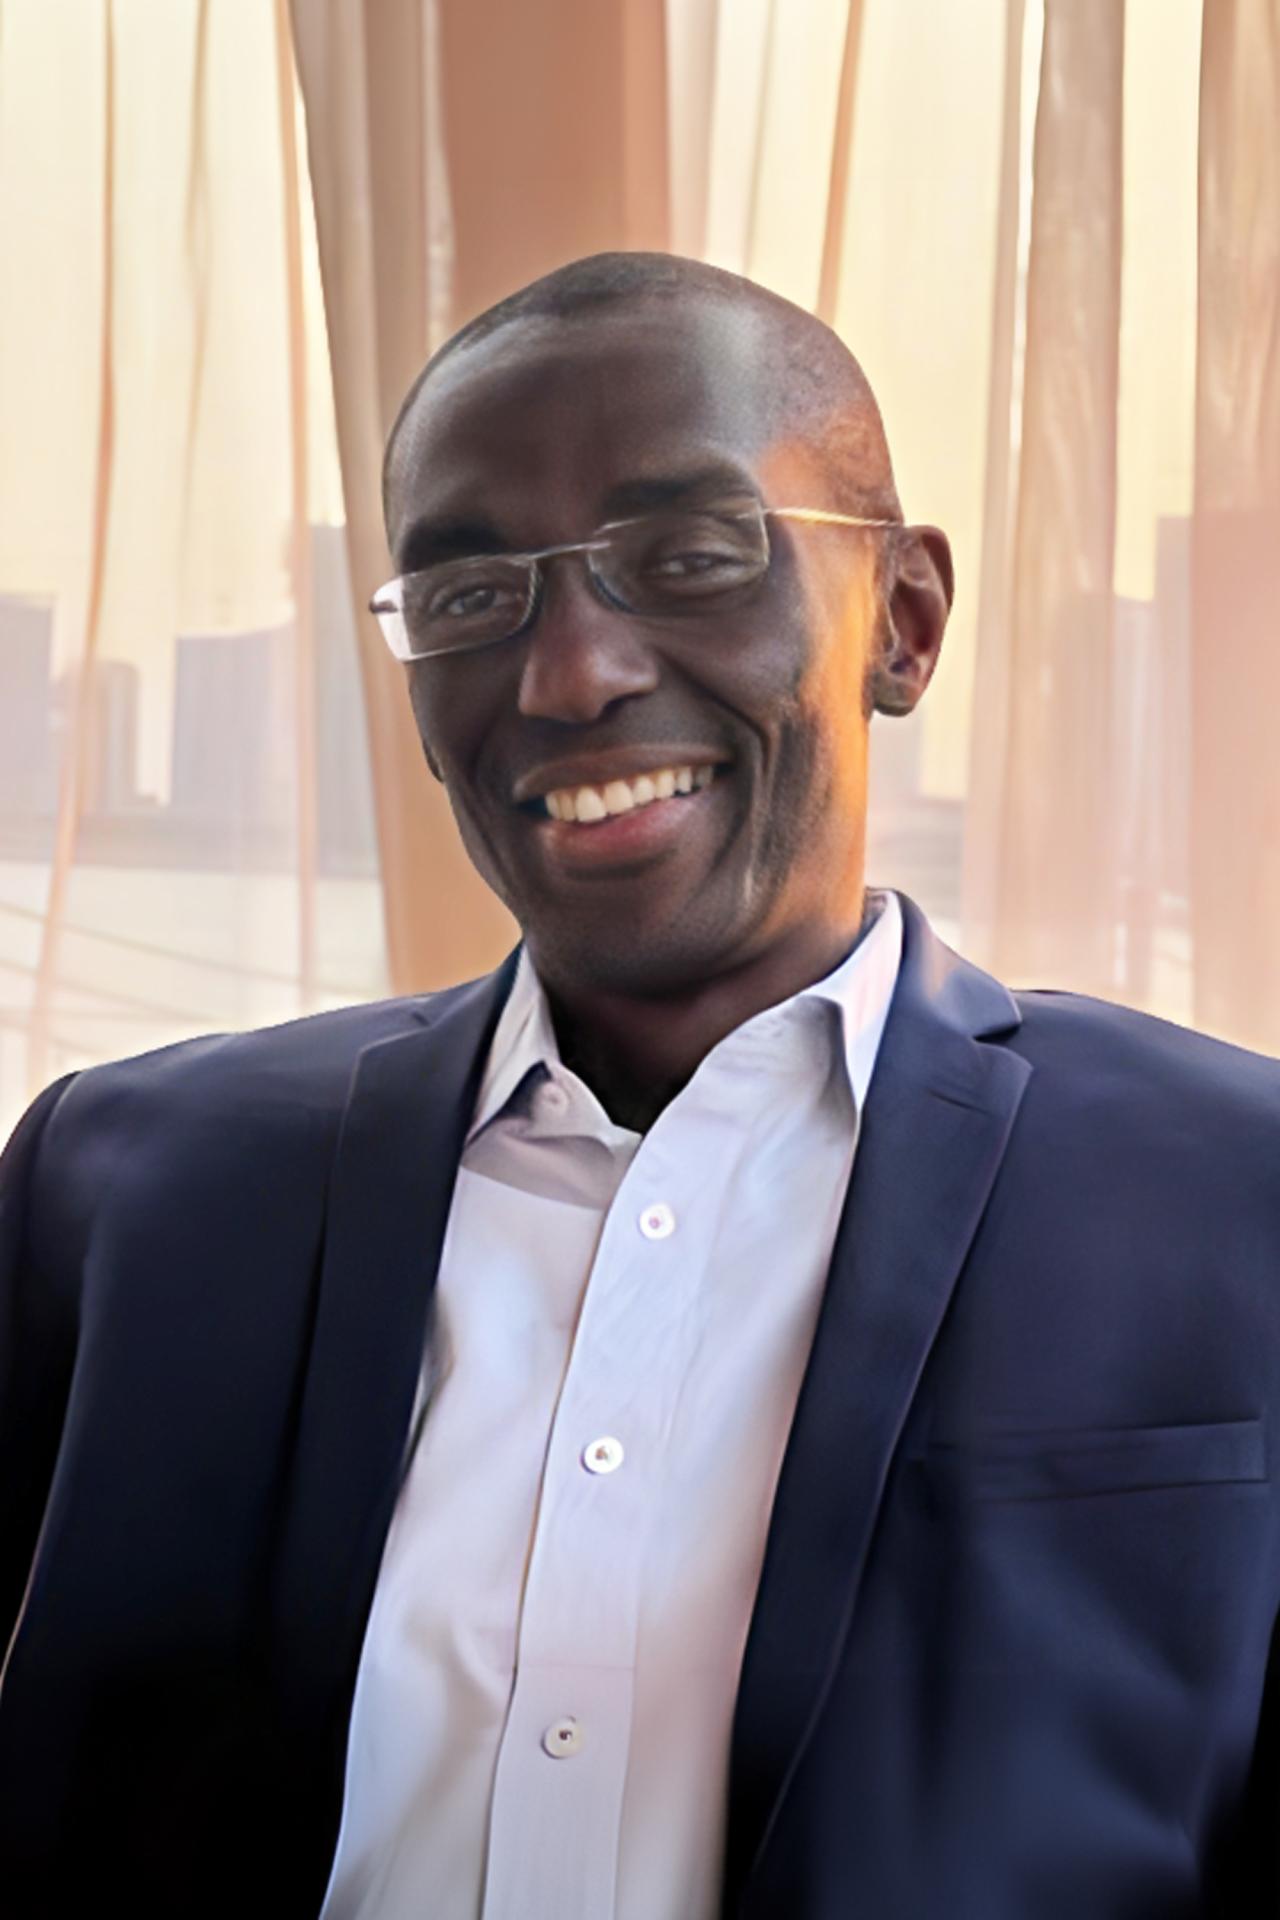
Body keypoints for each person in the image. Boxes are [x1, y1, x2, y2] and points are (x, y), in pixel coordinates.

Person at [1, 251, 1277, 1920]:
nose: (568, 673)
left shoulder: (1235, 1198)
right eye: (470, 595)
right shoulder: (122, 1191)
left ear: (902, 622)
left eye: (688, 558)